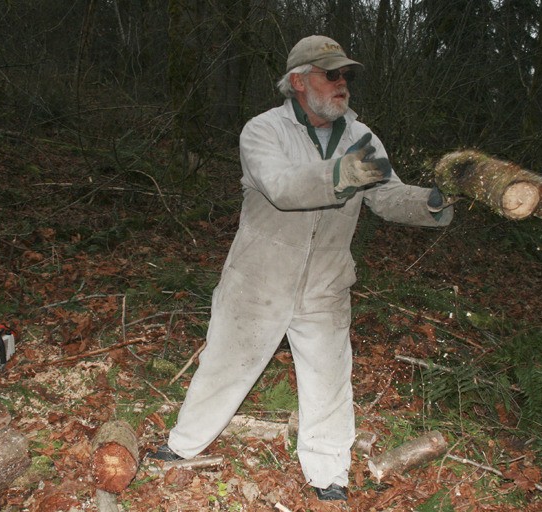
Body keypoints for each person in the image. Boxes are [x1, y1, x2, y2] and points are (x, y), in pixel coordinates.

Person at [147, 35, 455, 501]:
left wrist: (434, 201)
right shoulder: (263, 131)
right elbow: (282, 187)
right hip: (259, 279)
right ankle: (183, 446)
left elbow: (388, 196)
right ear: (297, 81)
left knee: (330, 378)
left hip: (326, 282)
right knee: (224, 365)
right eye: (331, 74)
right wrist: (342, 174)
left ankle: (329, 475)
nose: (342, 84)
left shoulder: (362, 139)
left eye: (345, 76)